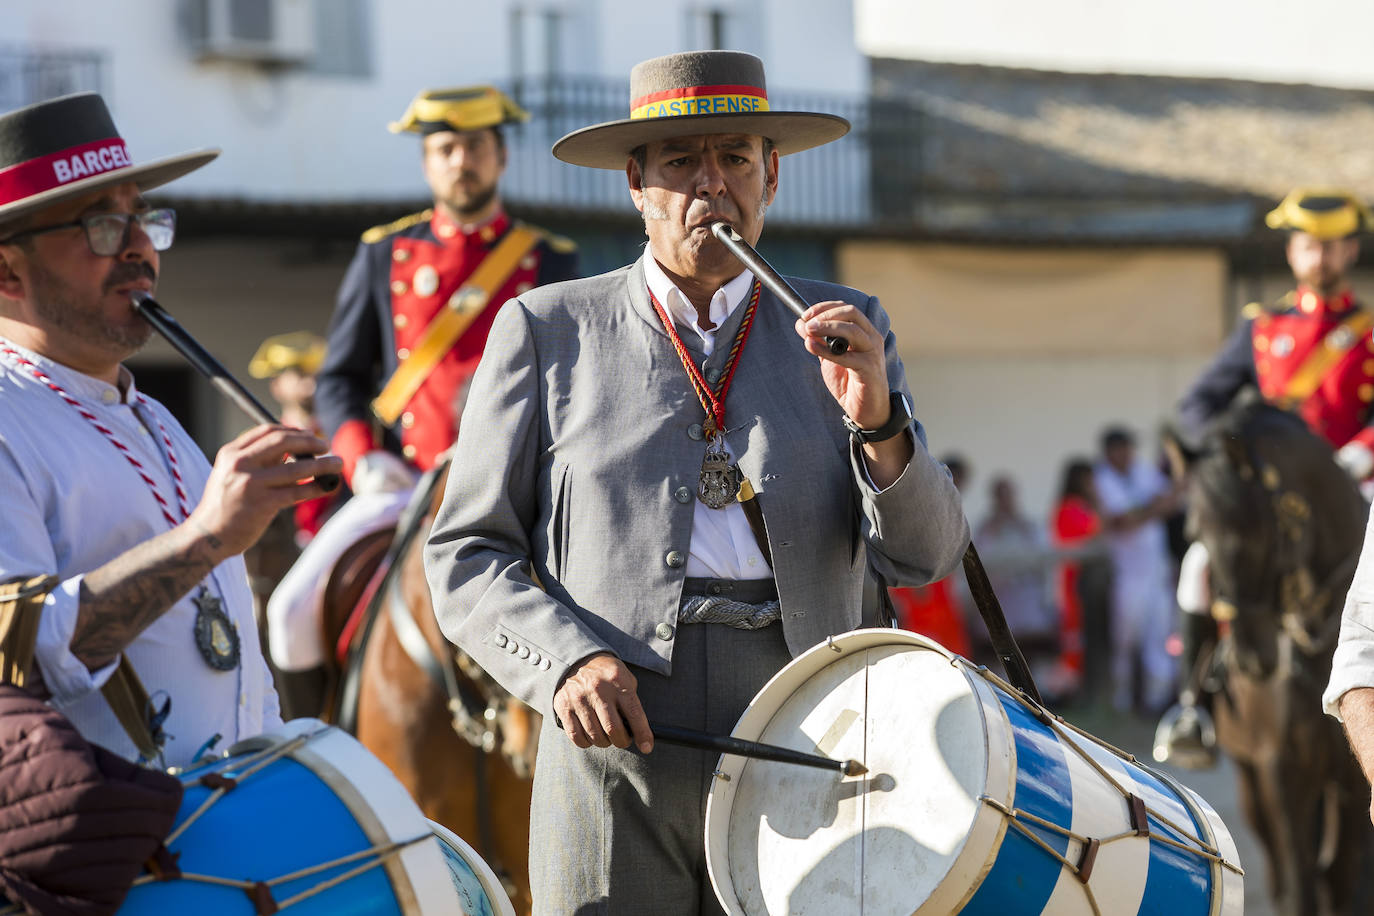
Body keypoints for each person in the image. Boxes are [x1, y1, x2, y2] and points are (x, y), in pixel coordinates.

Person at [424, 50, 969, 914]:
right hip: (617, 743)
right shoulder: (545, 329)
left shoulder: (846, 326)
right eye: (681, 162)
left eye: (736, 159)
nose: (712, 185)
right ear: (636, 184)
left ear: (772, 177)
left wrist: (879, 420)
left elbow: (926, 556)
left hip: (810, 738)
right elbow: (465, 552)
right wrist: (566, 664)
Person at [0, 92, 340, 768]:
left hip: (226, 833)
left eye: (143, 218)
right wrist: (207, 537)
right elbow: (15, 659)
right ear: (7, 270)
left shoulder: (155, 419)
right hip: (107, 855)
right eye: (99, 225)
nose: (137, 247)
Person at [265, 86, 579, 707]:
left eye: (475, 147)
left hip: (521, 493)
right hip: (404, 487)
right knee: (288, 613)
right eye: (445, 148)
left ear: (501, 156)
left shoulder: (548, 258)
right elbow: (339, 379)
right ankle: (313, 746)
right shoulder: (385, 252)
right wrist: (362, 460)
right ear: (427, 162)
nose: (461, 161)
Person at [1162, 188, 1374, 764]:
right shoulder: (1262, 329)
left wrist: (1358, 453)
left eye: (1332, 247)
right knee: (1199, 565)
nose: (1321, 258)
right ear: (1293, 253)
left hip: (1354, 480)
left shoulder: (1369, 332)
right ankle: (1191, 705)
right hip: (1274, 494)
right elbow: (1195, 407)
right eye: (1310, 246)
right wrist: (1233, 457)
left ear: (1350, 250)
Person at [1094, 426, 1178, 715]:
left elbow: (1170, 501)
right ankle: (1121, 701)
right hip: (1126, 573)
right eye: (1120, 449)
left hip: (1156, 570)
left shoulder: (1141, 470)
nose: (1126, 455)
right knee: (1124, 642)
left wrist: (1146, 511)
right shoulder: (1102, 478)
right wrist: (1150, 509)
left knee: (1159, 637)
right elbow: (1122, 521)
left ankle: (1158, 701)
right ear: (1109, 452)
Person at [248, 331, 333, 543]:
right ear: (276, 385)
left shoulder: (339, 434)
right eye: (300, 374)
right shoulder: (262, 443)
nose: (311, 385)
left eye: (316, 375)